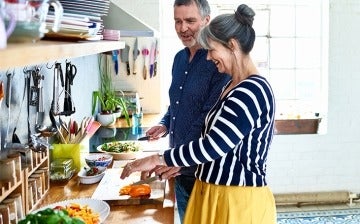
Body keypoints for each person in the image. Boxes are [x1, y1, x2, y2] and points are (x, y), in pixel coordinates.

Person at [122, 3, 277, 224]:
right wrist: (174, 155)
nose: (208, 57)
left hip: (235, 200)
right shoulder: (233, 85)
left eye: (212, 49)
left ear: (232, 45)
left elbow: (213, 145)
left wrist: (159, 158)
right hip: (215, 192)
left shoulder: (252, 91)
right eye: (177, 21)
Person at [143, 0, 230, 223]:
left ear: (206, 21)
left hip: (203, 173)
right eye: (178, 21)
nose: (183, 28)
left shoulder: (218, 63)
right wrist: (165, 124)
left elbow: (206, 117)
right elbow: (177, 104)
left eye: (190, 21)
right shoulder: (179, 59)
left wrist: (175, 158)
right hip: (178, 169)